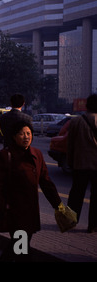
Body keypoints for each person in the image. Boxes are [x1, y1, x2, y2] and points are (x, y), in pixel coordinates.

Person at [0, 120, 63, 261]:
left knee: (20, 248)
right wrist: (1, 208)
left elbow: (46, 182)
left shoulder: (37, 154)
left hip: (31, 211)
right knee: (20, 248)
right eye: (22, 134)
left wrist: (58, 205)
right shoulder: (4, 156)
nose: (26, 137)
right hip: (14, 211)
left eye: (28, 133)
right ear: (14, 136)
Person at [67, 94, 97, 233]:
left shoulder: (76, 121)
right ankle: (93, 226)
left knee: (76, 194)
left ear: (86, 105)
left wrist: (70, 161)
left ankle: (70, 221)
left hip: (80, 164)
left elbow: (70, 145)